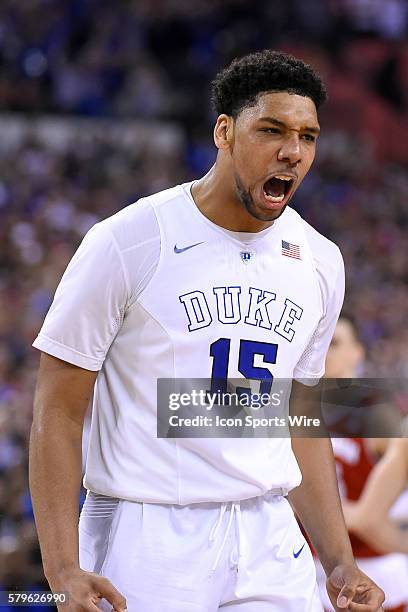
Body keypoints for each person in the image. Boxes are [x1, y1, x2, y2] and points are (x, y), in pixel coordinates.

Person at [29, 50, 384, 611]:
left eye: (308, 136)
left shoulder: (320, 259)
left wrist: (339, 560)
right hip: (147, 529)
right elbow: (58, 408)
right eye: (272, 130)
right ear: (224, 132)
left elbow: (299, 415)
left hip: (269, 530)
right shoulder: (129, 240)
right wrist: (62, 567)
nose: (292, 151)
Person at [315, 316, 408, 611]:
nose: (324, 352)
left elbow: (370, 517)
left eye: (335, 343)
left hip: (371, 567)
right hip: (313, 567)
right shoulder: (295, 410)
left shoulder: (378, 414)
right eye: (320, 343)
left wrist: (311, 506)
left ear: (357, 352)